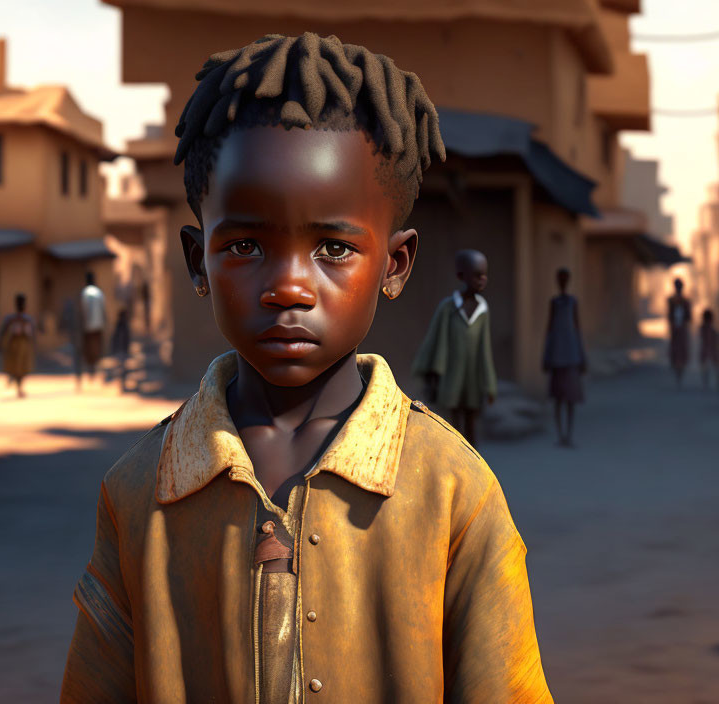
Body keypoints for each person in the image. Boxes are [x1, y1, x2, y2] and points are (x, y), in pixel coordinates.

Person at [61, 33, 551, 703]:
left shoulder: (452, 491)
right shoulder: (140, 493)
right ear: (196, 261)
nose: (288, 286)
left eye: (331, 247)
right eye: (244, 245)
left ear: (394, 264)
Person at [410, 249, 497, 447]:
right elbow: (435, 340)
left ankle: (473, 466)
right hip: (451, 377)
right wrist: (432, 373)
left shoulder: (483, 310)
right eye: (476, 275)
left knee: (471, 423)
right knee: (454, 425)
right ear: (461, 276)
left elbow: (485, 349)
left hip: (472, 379)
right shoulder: (448, 308)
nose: (482, 280)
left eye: (484, 275)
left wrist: (489, 384)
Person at [542, 267, 586, 446]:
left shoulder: (572, 302)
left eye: (564, 279)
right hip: (557, 357)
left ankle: (568, 434)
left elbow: (577, 329)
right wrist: (546, 355)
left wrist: (582, 356)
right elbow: (549, 329)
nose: (562, 282)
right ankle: (561, 435)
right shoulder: (554, 303)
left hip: (571, 356)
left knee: (570, 399)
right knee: (559, 399)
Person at [0, 293, 35, 398]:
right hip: (14, 345)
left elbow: (32, 334)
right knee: (16, 366)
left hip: (23, 345)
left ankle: (18, 385)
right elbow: (3, 332)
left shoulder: (27, 319)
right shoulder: (12, 319)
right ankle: (17, 384)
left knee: (22, 367)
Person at [79, 271, 106, 379]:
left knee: (89, 347)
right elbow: (103, 309)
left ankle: (91, 366)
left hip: (88, 326)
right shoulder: (99, 293)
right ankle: (94, 365)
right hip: (98, 325)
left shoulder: (85, 293)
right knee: (96, 346)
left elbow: (83, 310)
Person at [667, 277, 692, 387]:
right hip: (676, 329)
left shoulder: (685, 301)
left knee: (680, 350)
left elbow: (688, 317)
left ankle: (679, 373)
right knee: (677, 350)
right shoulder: (672, 300)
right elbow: (670, 315)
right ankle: (678, 372)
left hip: (681, 329)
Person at [109, 307, 131, 393]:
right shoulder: (121, 326)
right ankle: (122, 384)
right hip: (120, 350)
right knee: (122, 368)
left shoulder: (121, 325)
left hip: (121, 349)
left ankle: (122, 384)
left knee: (122, 368)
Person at [699, 309, 718, 389]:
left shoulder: (703, 329)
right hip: (710, 351)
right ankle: (709, 383)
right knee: (711, 368)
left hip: (708, 351)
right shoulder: (710, 330)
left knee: (709, 368)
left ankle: (708, 383)